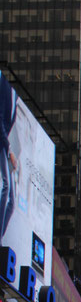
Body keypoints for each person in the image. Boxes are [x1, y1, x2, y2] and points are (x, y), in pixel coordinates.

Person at [0, 73, 17, 244]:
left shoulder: (17, 93)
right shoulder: (3, 82)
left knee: (13, 201)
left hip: (7, 145)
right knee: (6, 187)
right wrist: (9, 149)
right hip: (2, 143)